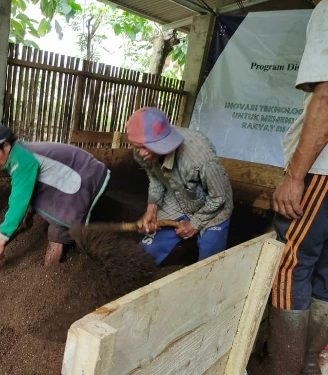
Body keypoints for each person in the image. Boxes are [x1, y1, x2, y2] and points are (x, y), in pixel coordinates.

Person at [250, 1, 328, 374]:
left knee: (290, 264)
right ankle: (310, 364)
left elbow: (326, 96)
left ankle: (284, 367)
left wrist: (296, 176)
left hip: (322, 172)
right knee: (326, 268)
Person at [0, 124, 110, 265]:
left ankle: (93, 260)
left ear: (6, 146)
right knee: (62, 222)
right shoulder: (19, 153)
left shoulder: (20, 159)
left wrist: (1, 239)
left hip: (84, 180)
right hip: (82, 176)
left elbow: (19, 199)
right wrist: (29, 214)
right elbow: (33, 188)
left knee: (64, 228)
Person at [125, 107, 233, 265]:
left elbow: (219, 197)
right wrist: (152, 207)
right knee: (145, 254)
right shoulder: (142, 152)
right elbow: (155, 176)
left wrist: (195, 223)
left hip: (213, 206)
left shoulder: (200, 157)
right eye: (137, 146)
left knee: (209, 265)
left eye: (145, 147)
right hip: (177, 197)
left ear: (162, 142)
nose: (141, 153)